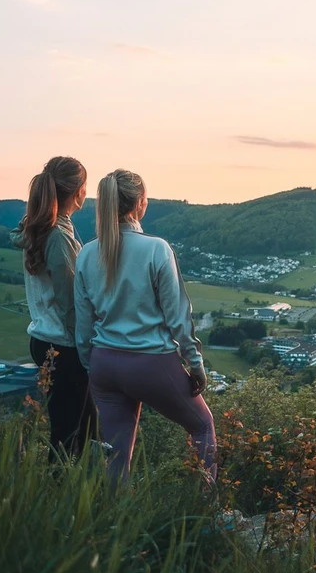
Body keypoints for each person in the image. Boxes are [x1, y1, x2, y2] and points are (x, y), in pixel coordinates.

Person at [74, 168, 215, 483]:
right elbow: (178, 317)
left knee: (116, 453)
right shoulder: (156, 249)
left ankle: (114, 521)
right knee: (202, 426)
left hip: (104, 363)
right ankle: (207, 510)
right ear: (139, 203)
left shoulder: (86, 254)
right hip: (151, 362)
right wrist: (195, 365)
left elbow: (83, 326)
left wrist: (91, 366)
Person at [9, 156, 95, 459]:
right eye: (85, 185)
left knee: (85, 429)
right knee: (67, 435)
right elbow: (69, 300)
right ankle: (60, 494)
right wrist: (85, 346)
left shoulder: (42, 227)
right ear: (77, 191)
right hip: (64, 345)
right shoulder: (58, 236)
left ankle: (84, 492)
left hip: (46, 339)